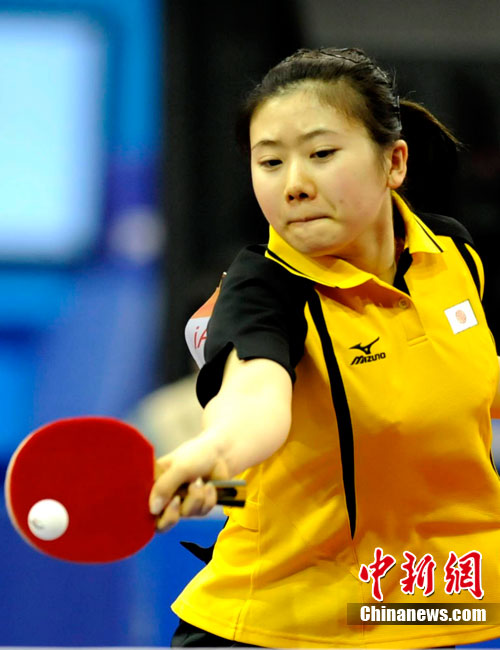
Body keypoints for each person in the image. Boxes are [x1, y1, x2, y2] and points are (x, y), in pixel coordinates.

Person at [149, 47, 500, 648]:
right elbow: (254, 396)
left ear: (394, 162)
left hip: (433, 610)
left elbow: (468, 391)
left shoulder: (454, 257)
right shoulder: (263, 288)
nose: (294, 185)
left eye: (321, 155)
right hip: (281, 627)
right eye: (270, 162)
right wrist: (215, 452)